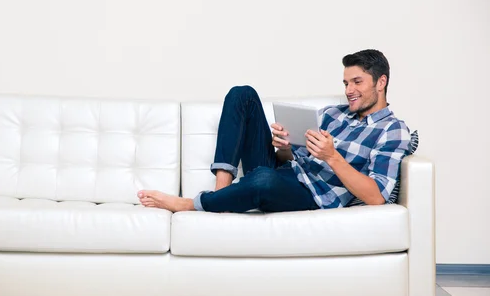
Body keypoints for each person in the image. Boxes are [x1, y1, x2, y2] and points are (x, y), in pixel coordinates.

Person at [137, 49, 411, 213]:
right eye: (345, 83)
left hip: (311, 194)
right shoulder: (332, 113)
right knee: (241, 94)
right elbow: (288, 160)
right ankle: (222, 195)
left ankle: (193, 204)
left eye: (356, 82)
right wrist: (284, 147)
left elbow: (376, 196)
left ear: (381, 82)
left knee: (263, 180)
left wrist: (332, 157)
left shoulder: (392, 130)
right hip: (286, 172)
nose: (349, 90)